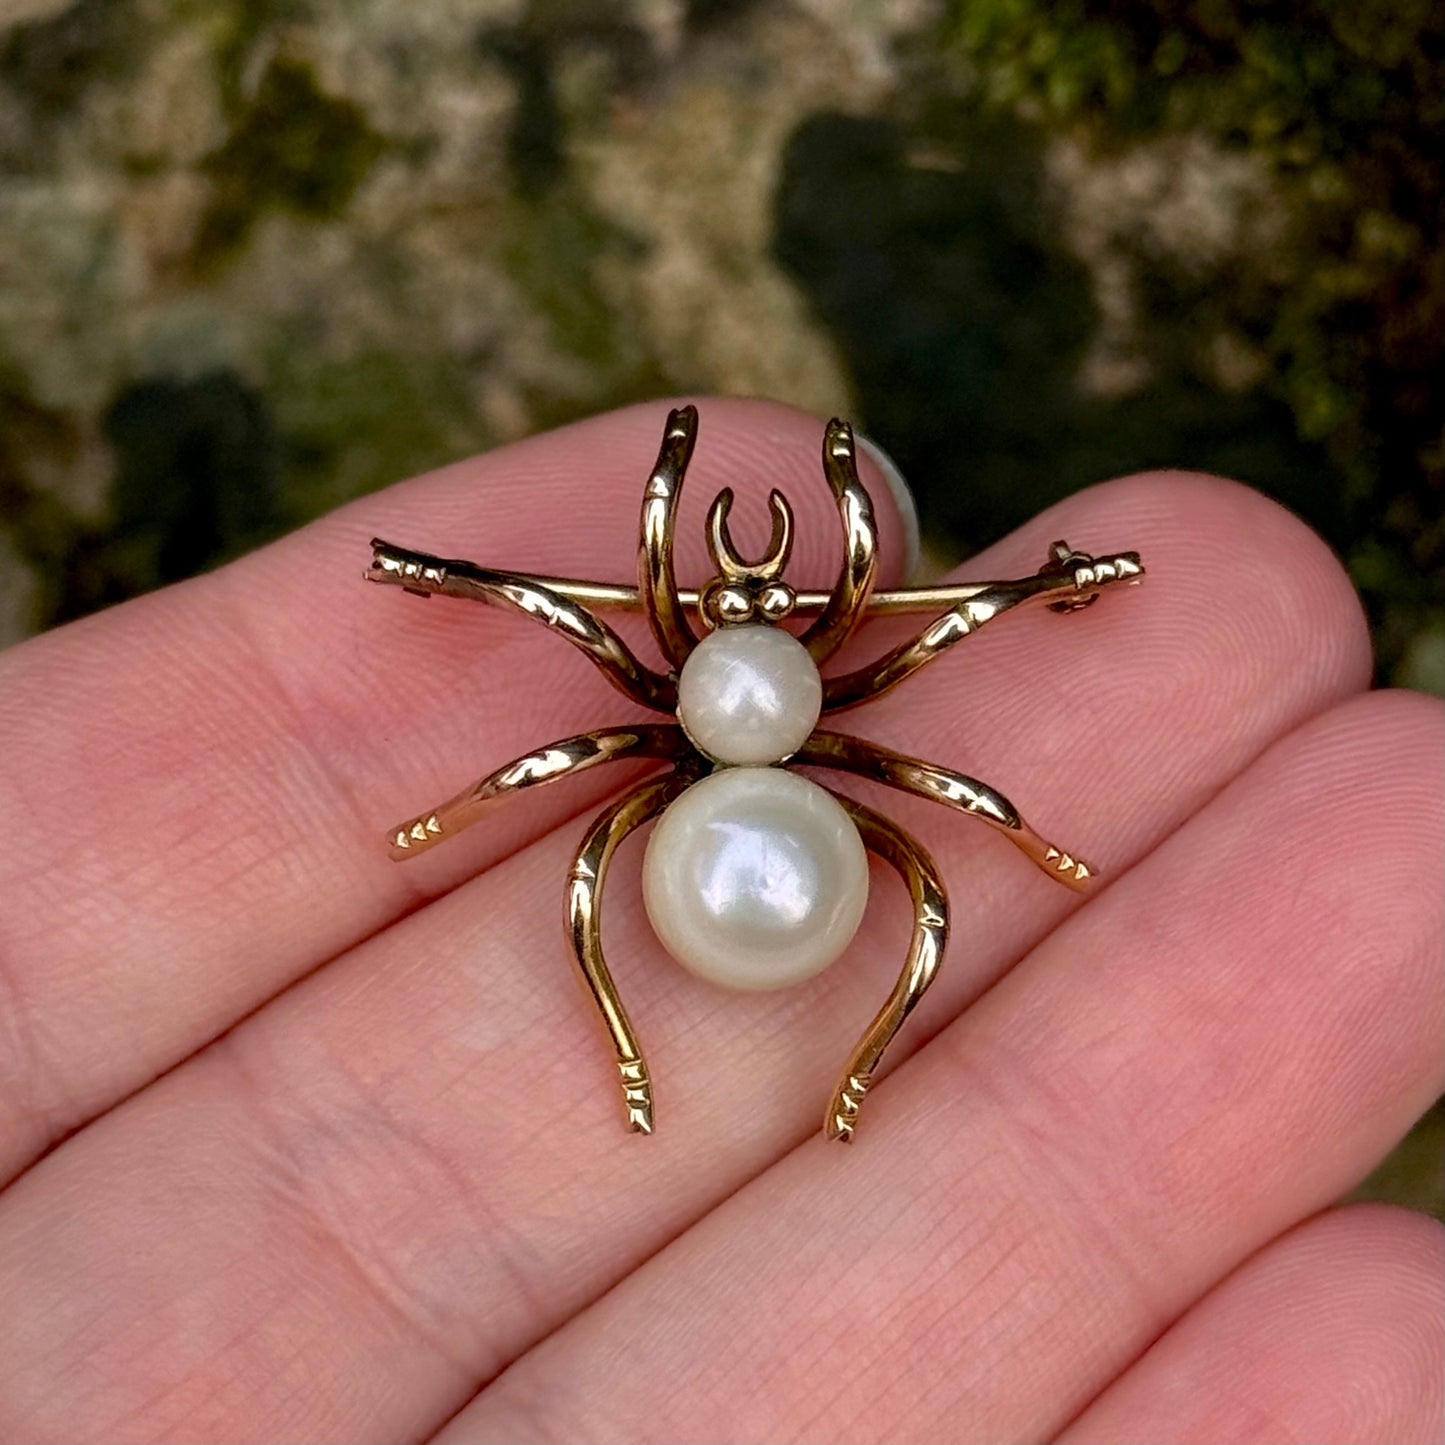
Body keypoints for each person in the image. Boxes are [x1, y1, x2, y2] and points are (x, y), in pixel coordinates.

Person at [0, 398, 1438, 1444]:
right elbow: (575, 621)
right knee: (593, 877)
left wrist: (1025, 607)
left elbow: (943, 632)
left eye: (769, 601)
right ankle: (655, 1054)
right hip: (732, 852)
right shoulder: (688, 694)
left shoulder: (823, 691)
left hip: (787, 853)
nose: (748, 605)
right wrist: (480, 598)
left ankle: (852, 1071)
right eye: (721, 594)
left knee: (925, 892)